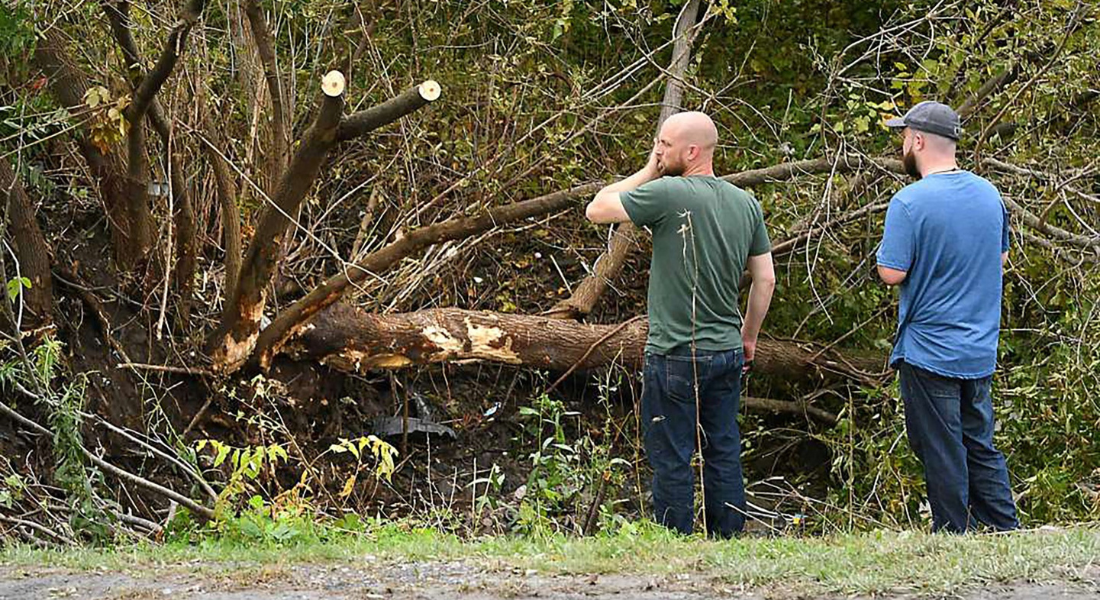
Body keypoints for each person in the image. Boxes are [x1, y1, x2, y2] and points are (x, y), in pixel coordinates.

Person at [585, 112, 775, 537]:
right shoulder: (745, 203)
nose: (658, 151)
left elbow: (597, 208)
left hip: (674, 352)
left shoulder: (669, 193)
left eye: (665, 145)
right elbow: (766, 279)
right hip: (726, 350)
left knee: (672, 454)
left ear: (692, 152)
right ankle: (727, 539)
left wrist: (650, 170)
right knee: (722, 449)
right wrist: (749, 336)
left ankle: (675, 542)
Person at [878, 100, 1018, 533]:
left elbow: (890, 272)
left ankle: (953, 532)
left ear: (918, 140)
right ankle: (1002, 526)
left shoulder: (909, 202)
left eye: (904, 137)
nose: (903, 144)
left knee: (940, 446)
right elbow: (1000, 257)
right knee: (979, 442)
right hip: (979, 346)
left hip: (929, 349)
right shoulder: (988, 194)